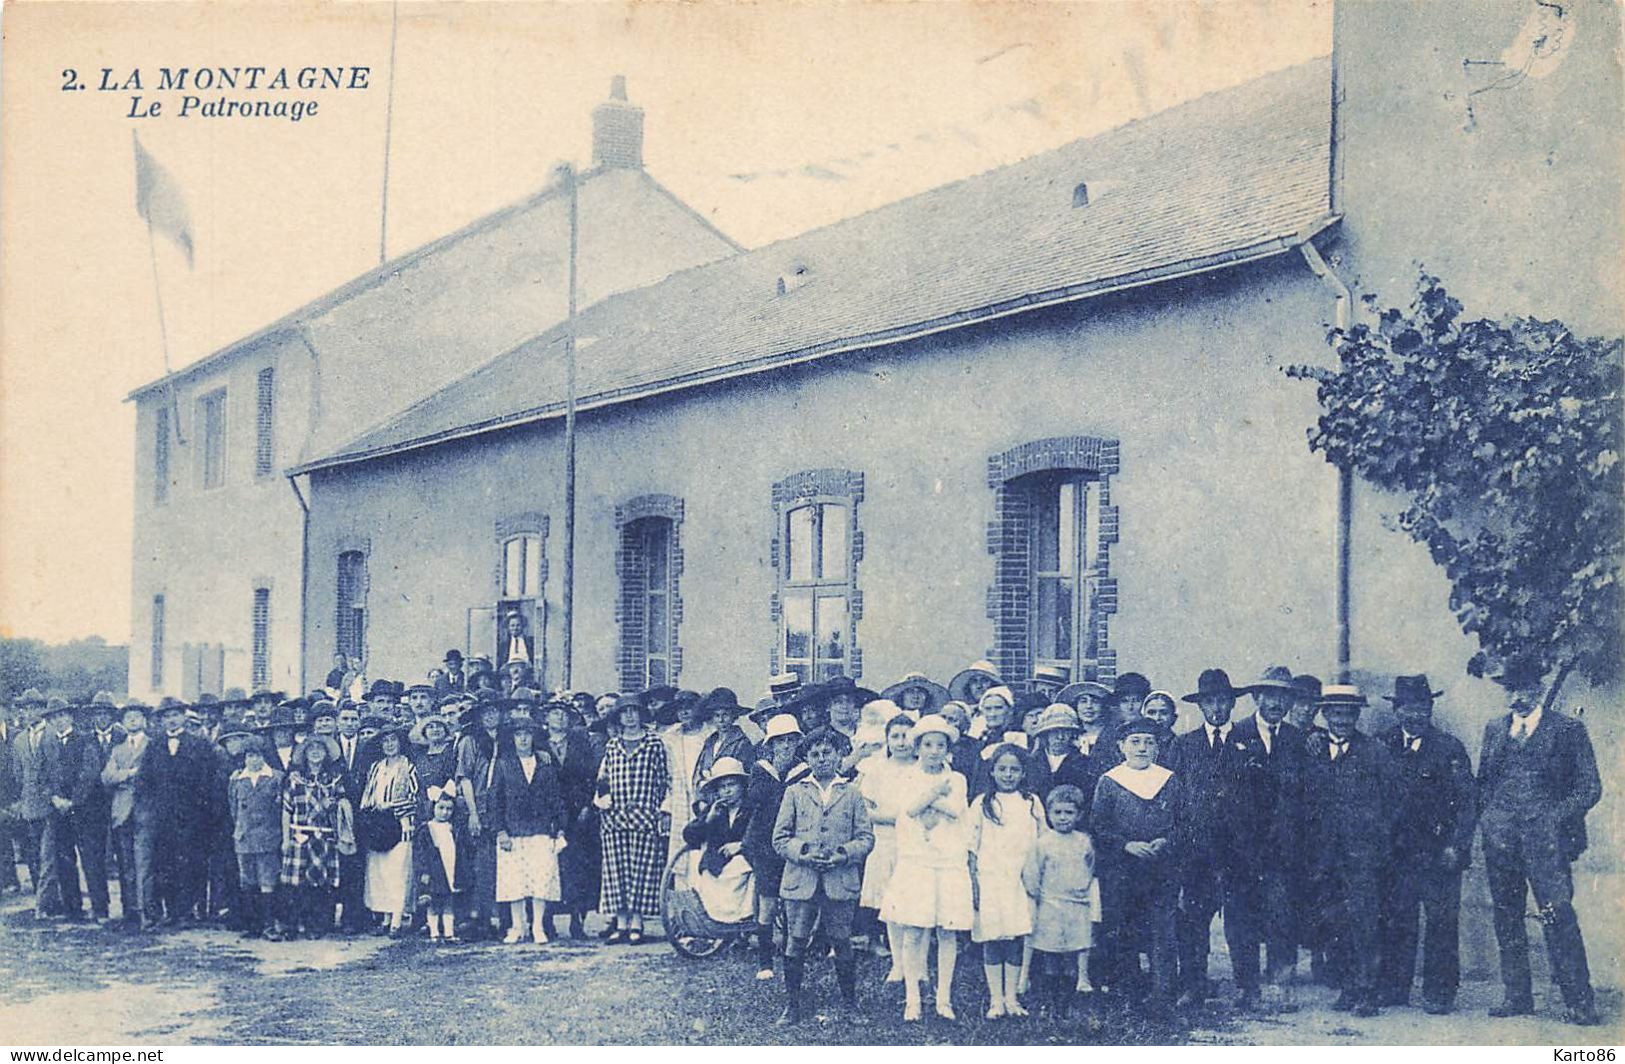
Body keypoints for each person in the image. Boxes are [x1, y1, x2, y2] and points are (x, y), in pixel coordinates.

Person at [1476, 655, 1601, 1026]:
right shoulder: (1496, 729)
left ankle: (1579, 1001)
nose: (1517, 697)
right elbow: (1484, 783)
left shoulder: (1566, 730)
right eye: (1510, 690)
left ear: (1539, 689)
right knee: (1506, 917)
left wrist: (1553, 818)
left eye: (1525, 689)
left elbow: (1590, 787)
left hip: (1548, 844)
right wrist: (1489, 819)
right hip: (1500, 843)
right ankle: (1518, 995)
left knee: (1557, 915)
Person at [1377, 673, 1475, 1014]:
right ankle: (1394, 987)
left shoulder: (1449, 748)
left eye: (1420, 707)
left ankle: (1440, 992)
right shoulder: (1383, 744)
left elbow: (1467, 804)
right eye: (1406, 707)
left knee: (1442, 923)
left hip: (1439, 853)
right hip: (1399, 855)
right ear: (1396, 710)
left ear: (1430, 709)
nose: (1413, 715)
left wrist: (1457, 846)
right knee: (1398, 918)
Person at [1303, 684, 1398, 1017]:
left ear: (1357, 716)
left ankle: (1366, 991)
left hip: (1362, 856)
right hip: (1325, 856)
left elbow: (1393, 803)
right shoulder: (1312, 751)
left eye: (1349, 713)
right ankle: (1346, 986)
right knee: (1335, 922)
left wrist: (1375, 843)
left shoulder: (1375, 752)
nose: (1342, 719)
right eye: (1335, 713)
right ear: (1325, 715)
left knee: (1365, 922)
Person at [771, 727, 874, 1027]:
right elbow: (779, 838)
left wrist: (843, 853)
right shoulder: (795, 791)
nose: (822, 759)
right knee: (796, 941)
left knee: (842, 941)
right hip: (802, 879)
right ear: (806, 759)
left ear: (840, 754)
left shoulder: (852, 792)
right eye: (814, 754)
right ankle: (792, 1005)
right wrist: (803, 852)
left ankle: (850, 1004)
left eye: (827, 752)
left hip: (839, 879)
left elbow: (866, 838)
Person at [1167, 667, 1250, 1008]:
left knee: (1241, 920)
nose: (1216, 709)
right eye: (1209, 702)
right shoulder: (1184, 745)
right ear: (1200, 707)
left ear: (1232, 704)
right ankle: (1193, 986)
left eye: (1222, 701)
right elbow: (1174, 795)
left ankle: (1247, 986)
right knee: (1193, 922)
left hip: (1238, 851)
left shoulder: (1249, 742)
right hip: (1196, 850)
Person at [881, 714, 972, 1022]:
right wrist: (933, 794)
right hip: (916, 861)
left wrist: (928, 801)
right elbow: (910, 808)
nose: (934, 751)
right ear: (918, 747)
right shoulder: (909, 776)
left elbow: (956, 809)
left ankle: (943, 998)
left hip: (948, 862)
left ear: (948, 749)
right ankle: (913, 999)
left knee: (947, 931)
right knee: (915, 929)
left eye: (940, 745)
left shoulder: (957, 779)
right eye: (928, 744)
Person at [1228, 665, 1309, 1004]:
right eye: (1270, 695)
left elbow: (1306, 796)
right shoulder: (1236, 735)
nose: (1276, 702)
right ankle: (1248, 987)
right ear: (1257, 697)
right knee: (1241, 917)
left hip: (1284, 849)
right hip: (1243, 848)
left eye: (1283, 697)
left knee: (1281, 916)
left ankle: (1280, 985)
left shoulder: (1297, 740)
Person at [1090, 717, 1181, 1013]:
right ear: (1121, 746)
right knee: (1124, 930)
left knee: (1162, 932)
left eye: (1149, 742)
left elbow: (1184, 822)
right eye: (1135, 742)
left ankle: (1162, 996)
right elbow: (1098, 826)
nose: (1142, 748)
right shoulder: (1110, 781)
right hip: (1122, 870)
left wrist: (1166, 840)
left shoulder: (1169, 780)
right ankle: (1128, 994)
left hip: (1161, 868)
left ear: (1158, 747)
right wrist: (1126, 845)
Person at [970, 744, 1044, 1019]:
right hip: (990, 877)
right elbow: (971, 845)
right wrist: (974, 884)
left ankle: (1012, 998)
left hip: (1021, 877)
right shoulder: (981, 803)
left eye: (1014, 770)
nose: (1008, 775)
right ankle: (995, 1000)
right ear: (992, 771)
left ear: (1024, 773)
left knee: (1015, 938)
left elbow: (1042, 837)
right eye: (1002, 769)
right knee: (992, 938)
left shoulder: (1031, 802)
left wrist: (1035, 872)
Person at [1022, 783, 1101, 1020]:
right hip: (1050, 905)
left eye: (1069, 813)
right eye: (1057, 813)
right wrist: (1036, 895)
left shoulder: (1084, 841)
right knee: (1051, 956)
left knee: (1072, 956)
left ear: (1079, 815)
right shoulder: (1044, 842)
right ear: (1049, 813)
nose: (1063, 818)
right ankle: (1050, 1003)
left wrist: (1085, 894)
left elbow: (1091, 868)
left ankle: (1067, 1004)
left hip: (1077, 905)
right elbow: (1033, 872)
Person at [596, 695, 668, 945]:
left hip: (644, 816)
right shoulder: (612, 746)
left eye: (633, 711)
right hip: (614, 818)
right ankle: (621, 922)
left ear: (641, 715)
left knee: (641, 869)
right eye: (624, 712)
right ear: (618, 716)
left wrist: (657, 809)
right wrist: (605, 801)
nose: (629, 716)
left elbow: (662, 780)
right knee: (617, 871)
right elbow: (603, 779)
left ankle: (637, 922)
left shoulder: (654, 743)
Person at [489, 718, 565, 945]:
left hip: (541, 830)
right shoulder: (503, 764)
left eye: (527, 734)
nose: (523, 739)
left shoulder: (545, 765)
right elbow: (495, 800)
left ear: (534, 738)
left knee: (540, 879)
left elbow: (556, 799)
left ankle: (538, 926)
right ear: (512, 739)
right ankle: (517, 926)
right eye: (518, 734)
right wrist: (500, 831)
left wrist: (559, 829)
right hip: (512, 831)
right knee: (514, 880)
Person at [743, 713, 804, 979]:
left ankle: (792, 956)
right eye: (780, 741)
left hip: (790, 844)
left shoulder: (803, 771)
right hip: (764, 845)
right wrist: (777, 774)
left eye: (791, 741)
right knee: (767, 903)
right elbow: (755, 798)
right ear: (771, 745)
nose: (786, 746)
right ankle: (765, 962)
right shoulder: (760, 770)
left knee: (792, 902)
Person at [854, 711, 915, 976]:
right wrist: (893, 818)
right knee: (889, 900)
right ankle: (897, 962)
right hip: (886, 839)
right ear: (887, 740)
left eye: (906, 736)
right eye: (896, 737)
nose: (901, 742)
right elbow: (864, 809)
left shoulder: (921, 768)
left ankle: (914, 960)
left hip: (914, 842)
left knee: (912, 901)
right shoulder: (878, 770)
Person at [148, 698, 216, 926]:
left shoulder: (200, 744)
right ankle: (171, 911)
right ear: (162, 720)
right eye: (167, 716)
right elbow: (144, 782)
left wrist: (200, 811)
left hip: (192, 817)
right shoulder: (154, 744)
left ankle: (188, 911)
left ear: (184, 717)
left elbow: (208, 781)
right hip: (163, 817)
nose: (172, 719)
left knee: (191, 863)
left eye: (176, 714)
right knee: (165, 864)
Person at [543, 699, 600, 939]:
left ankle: (578, 920)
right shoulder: (539, 746)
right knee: (548, 866)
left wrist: (587, 805)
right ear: (546, 719)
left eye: (564, 715)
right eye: (555, 714)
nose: (560, 719)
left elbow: (592, 777)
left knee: (578, 866)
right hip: (547, 813)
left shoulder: (580, 744)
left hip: (577, 814)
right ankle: (546, 921)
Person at [281, 733, 347, 938]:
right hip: (300, 835)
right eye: (311, 749)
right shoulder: (295, 780)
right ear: (305, 754)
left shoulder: (334, 780)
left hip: (325, 837)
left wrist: (333, 807)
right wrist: (286, 838)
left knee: (320, 883)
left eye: (320, 749)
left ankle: (316, 926)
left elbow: (342, 811)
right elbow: (286, 810)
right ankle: (293, 926)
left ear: (326, 754)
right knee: (296, 884)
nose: (316, 753)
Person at [359, 725, 419, 936]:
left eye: (393, 740)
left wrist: (392, 806)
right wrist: (370, 811)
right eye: (386, 741)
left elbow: (415, 799)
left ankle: (396, 919)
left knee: (398, 871)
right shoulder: (376, 767)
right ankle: (384, 918)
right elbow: (367, 795)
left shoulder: (409, 767)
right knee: (379, 872)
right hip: (378, 826)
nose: (390, 745)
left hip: (400, 825)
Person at [682, 756, 756, 925]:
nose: (727, 791)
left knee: (739, 866)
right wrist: (708, 818)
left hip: (746, 858)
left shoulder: (751, 809)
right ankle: (717, 917)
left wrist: (742, 846)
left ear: (742, 786)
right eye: (722, 787)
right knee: (704, 867)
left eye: (731, 785)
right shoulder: (716, 809)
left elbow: (761, 836)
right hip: (718, 862)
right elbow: (689, 835)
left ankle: (741, 915)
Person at [102, 702, 157, 929]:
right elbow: (107, 777)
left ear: (144, 720)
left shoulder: (153, 746)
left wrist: (125, 777)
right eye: (128, 718)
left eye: (137, 717)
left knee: (144, 863)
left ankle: (148, 912)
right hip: (122, 812)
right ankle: (132, 910)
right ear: (122, 723)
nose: (133, 721)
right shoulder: (118, 749)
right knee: (127, 865)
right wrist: (129, 774)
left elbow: (154, 775)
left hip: (146, 811)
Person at [37, 698, 93, 921]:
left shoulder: (83, 741)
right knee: (63, 858)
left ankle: (99, 906)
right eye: (54, 717)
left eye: (62, 715)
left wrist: (73, 801)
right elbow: (42, 776)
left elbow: (88, 775)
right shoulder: (47, 744)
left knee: (89, 857)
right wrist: (53, 798)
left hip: (81, 809)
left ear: (70, 717)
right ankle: (72, 906)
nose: (59, 721)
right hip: (57, 810)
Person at [454, 698, 506, 940]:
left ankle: (499, 919)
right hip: (479, 809)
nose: (490, 717)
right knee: (479, 867)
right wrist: (473, 813)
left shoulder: (506, 741)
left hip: (502, 810)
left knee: (498, 866)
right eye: (486, 713)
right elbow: (464, 778)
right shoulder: (470, 742)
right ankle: (477, 919)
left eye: (494, 712)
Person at [227, 734, 284, 940]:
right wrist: (241, 830)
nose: (254, 760)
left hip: (268, 837)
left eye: (258, 755)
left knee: (267, 880)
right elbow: (234, 810)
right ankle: (253, 925)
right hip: (244, 839)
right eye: (250, 755)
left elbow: (280, 810)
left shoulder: (276, 778)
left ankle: (269, 925)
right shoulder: (236, 780)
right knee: (248, 881)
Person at [414, 785, 470, 942]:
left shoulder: (453, 828)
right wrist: (424, 871)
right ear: (433, 807)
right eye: (441, 808)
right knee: (432, 902)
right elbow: (421, 854)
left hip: (450, 867)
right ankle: (434, 933)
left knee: (448, 901)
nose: (445, 812)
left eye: (449, 809)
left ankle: (449, 932)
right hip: (435, 870)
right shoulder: (427, 829)